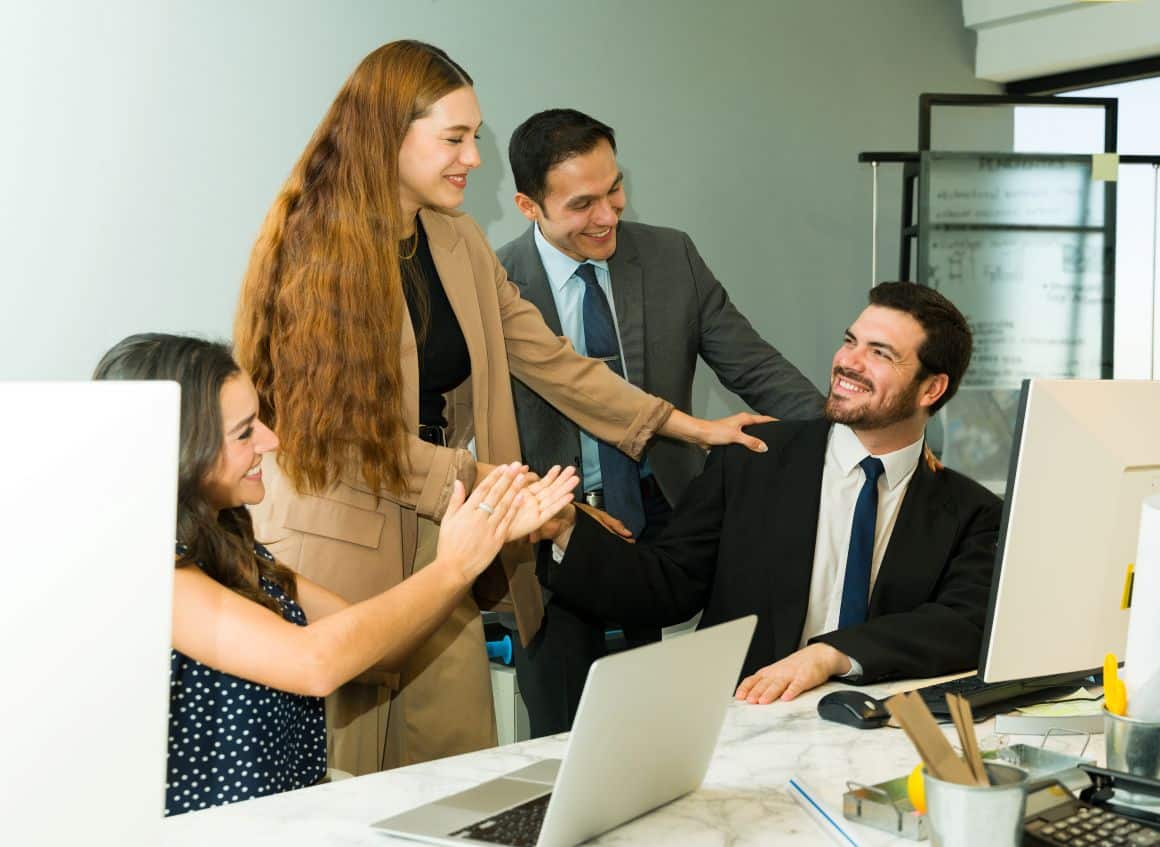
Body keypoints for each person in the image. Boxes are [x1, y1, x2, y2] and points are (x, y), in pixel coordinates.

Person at [233, 40, 767, 773]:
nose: (473, 158)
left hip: (442, 529)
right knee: (342, 778)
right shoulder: (314, 248)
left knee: (451, 766)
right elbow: (345, 439)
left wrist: (689, 426)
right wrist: (501, 491)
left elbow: (550, 358)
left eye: (474, 137)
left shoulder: (456, 239)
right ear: (388, 134)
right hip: (339, 539)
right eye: (454, 138)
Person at [92, 333, 577, 816]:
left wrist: (484, 533)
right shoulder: (156, 579)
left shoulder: (231, 546)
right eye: (244, 433)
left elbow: (375, 650)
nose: (270, 440)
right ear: (182, 451)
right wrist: (453, 566)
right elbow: (316, 664)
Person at [497, 108, 826, 734]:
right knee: (567, 734)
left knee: (684, 724)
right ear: (528, 205)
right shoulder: (496, 282)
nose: (608, 216)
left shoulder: (671, 256)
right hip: (555, 535)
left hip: (668, 519)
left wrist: (856, 435)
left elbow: (757, 369)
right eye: (582, 204)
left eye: (614, 189)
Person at [535, 282, 1004, 702]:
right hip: (745, 723)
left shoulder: (973, 513)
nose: (848, 362)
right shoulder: (752, 458)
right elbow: (667, 586)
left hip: (881, 734)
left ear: (931, 389)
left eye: (880, 353)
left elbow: (964, 625)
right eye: (850, 341)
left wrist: (831, 655)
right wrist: (566, 530)